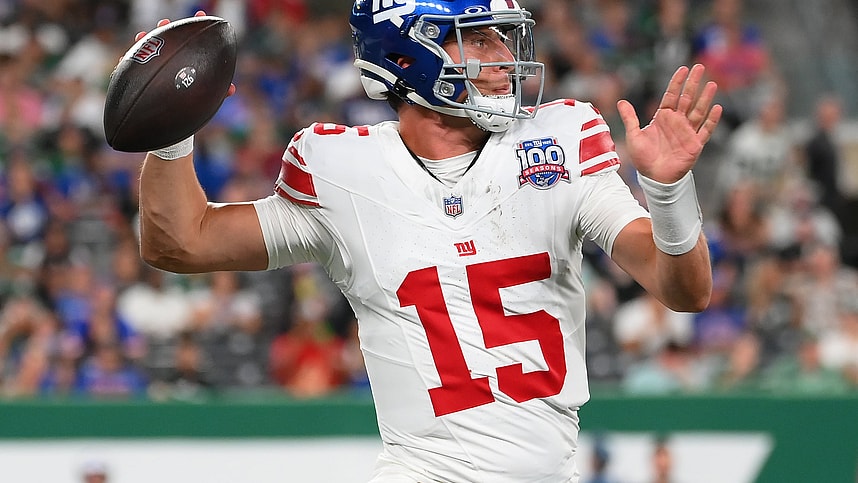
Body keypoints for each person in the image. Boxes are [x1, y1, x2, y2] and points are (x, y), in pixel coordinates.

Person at [131, 1, 721, 481]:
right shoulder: (342, 169)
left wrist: (667, 193)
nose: (503, 57)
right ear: (408, 54)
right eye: (478, 39)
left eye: (502, 38)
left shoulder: (560, 139)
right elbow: (180, 242)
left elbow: (683, 288)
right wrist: (173, 129)